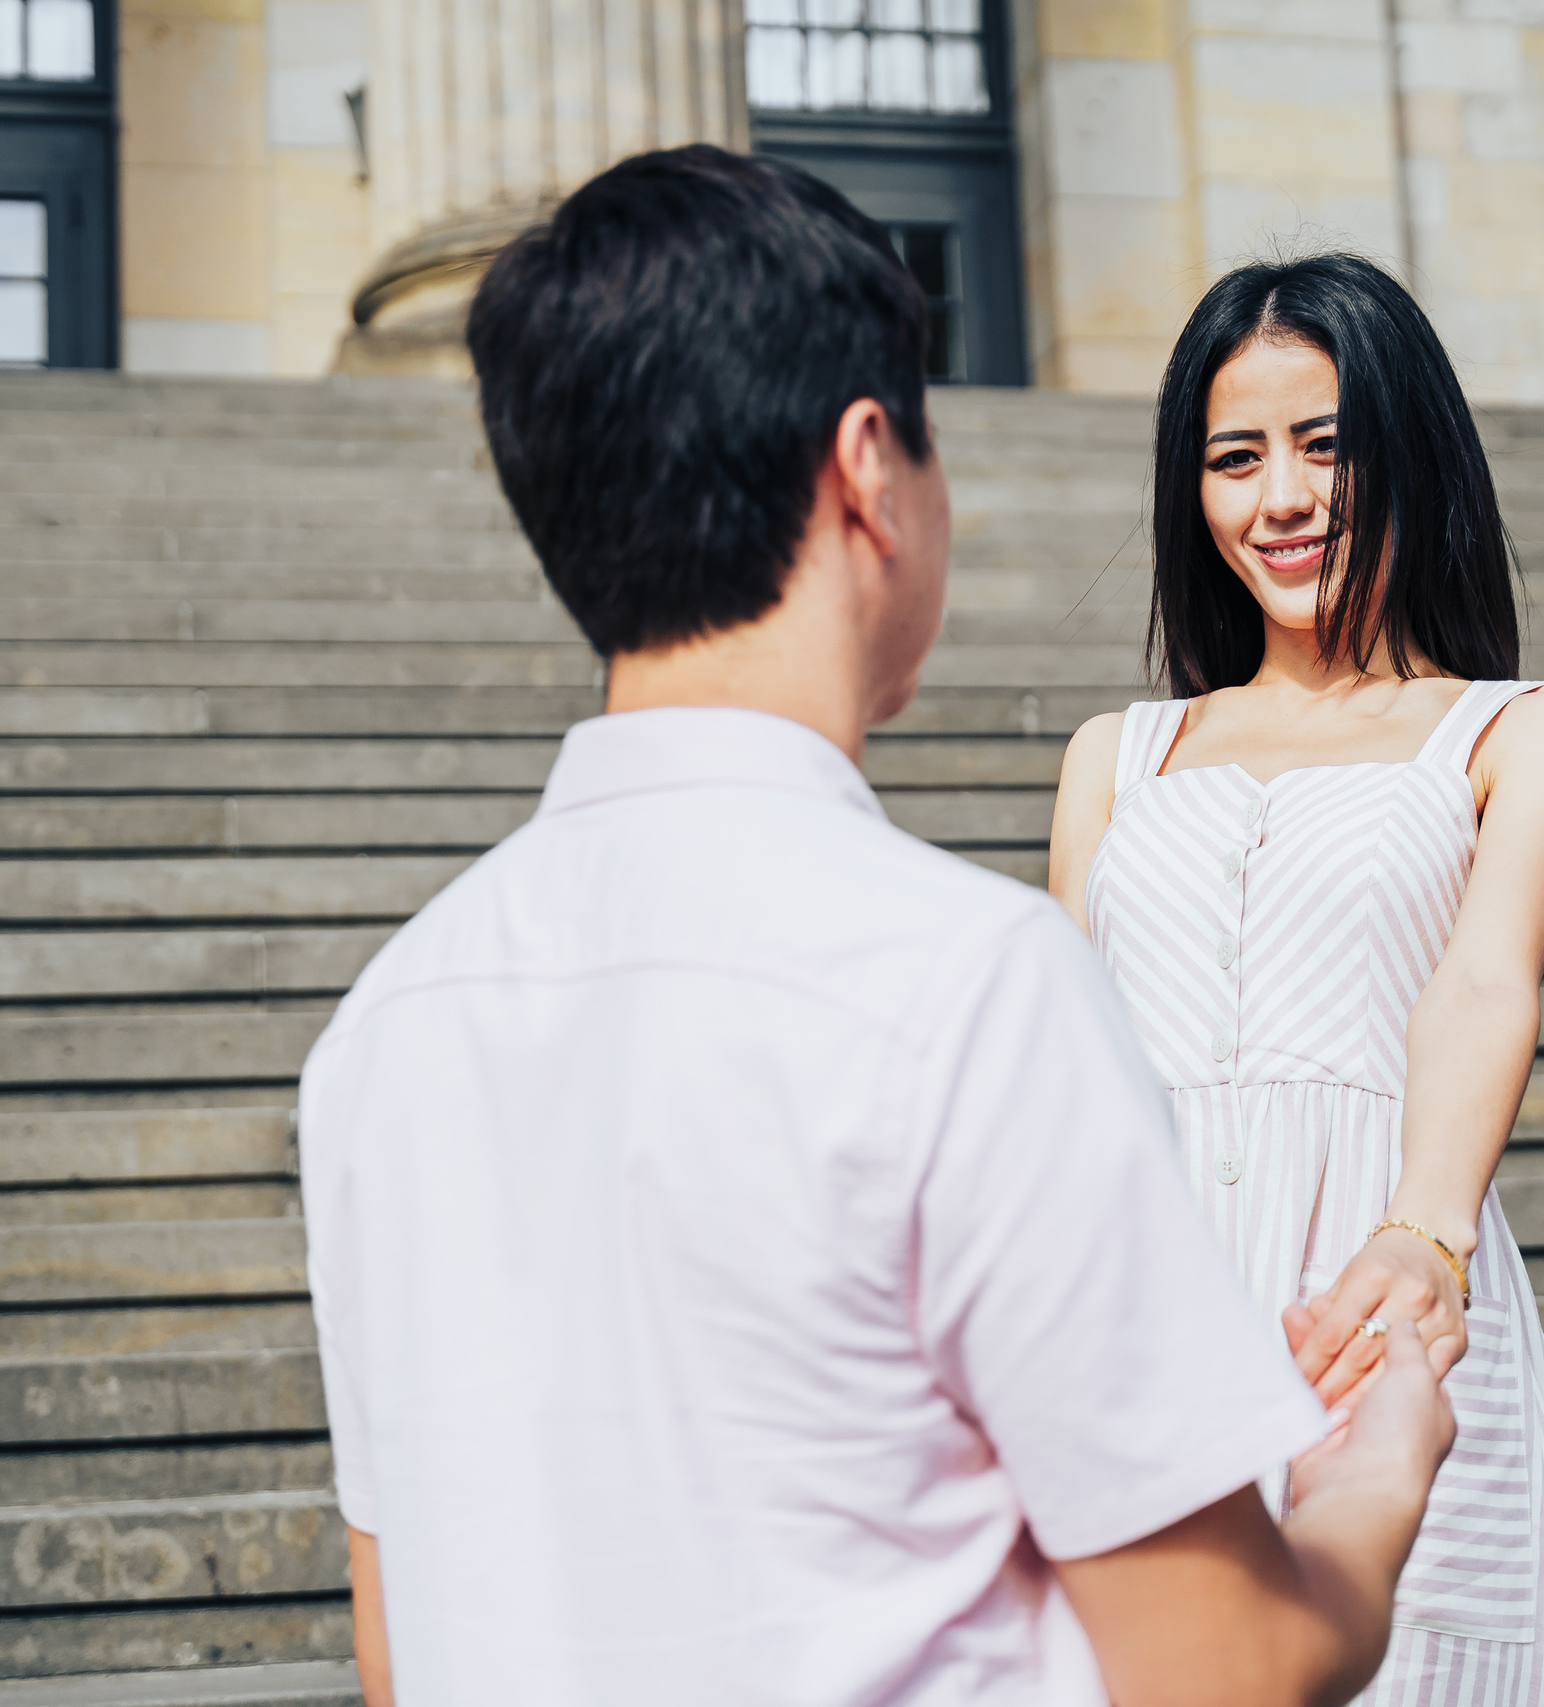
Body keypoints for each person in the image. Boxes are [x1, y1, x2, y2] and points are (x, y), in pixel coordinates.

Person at [297, 149, 1453, 1707]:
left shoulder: (385, 1025)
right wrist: (1370, 1482)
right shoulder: (966, 983)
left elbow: (400, 1647)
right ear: (866, 471)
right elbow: (1228, 1667)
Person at [1046, 256, 1544, 1706]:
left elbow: (1484, 986)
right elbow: (1059, 1062)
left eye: (1326, 443)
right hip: (1147, 1326)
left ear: (1407, 447)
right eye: (1235, 458)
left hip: (1380, 1317)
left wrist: (1423, 1240)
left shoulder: (1518, 732)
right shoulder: (1117, 756)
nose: (1281, 498)